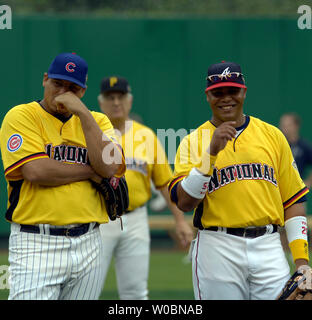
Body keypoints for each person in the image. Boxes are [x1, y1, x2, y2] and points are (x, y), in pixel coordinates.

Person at [168, 61, 310, 300]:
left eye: (232, 91)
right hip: (217, 246)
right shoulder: (192, 142)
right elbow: (184, 202)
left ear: (244, 92)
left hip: (269, 245)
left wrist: (302, 263)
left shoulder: (272, 136)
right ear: (207, 96)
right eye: (218, 92)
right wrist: (210, 154)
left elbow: (293, 201)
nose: (226, 98)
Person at [0, 53, 126, 300]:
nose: (64, 93)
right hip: (36, 242)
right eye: (58, 83)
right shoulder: (22, 116)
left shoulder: (98, 120)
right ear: (45, 79)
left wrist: (84, 115)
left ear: (83, 91)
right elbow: (37, 171)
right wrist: (92, 171)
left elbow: (110, 167)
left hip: (89, 241)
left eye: (73, 88)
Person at [97, 76, 193, 300]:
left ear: (130, 101)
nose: (116, 102)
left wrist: (180, 220)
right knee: (88, 288)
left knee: (136, 292)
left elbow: (164, 183)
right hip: (99, 218)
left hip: (136, 219)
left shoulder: (146, 136)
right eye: (110, 98)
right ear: (101, 102)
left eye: (121, 97)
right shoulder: (90, 133)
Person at [279, 112, 312, 189]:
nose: (284, 128)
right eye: (283, 125)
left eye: (288, 125)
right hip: (280, 192)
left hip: (297, 193)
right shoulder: (278, 145)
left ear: (296, 126)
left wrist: (308, 182)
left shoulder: (304, 146)